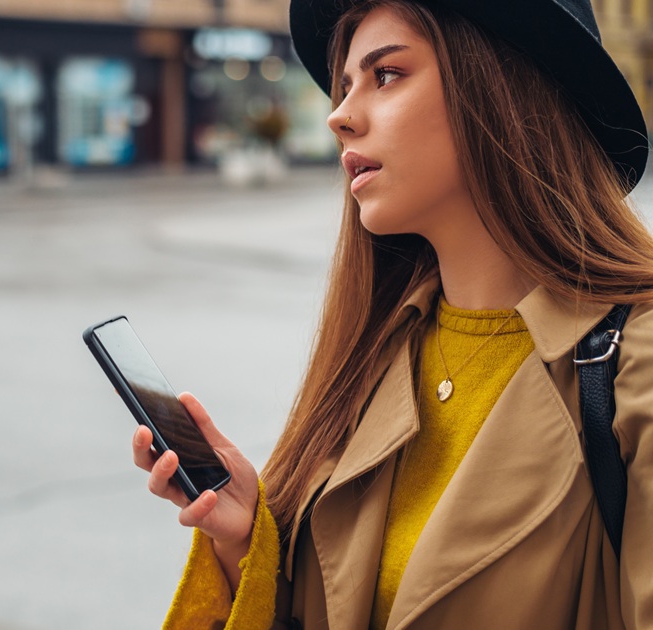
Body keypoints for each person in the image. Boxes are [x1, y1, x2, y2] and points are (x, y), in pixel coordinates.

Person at [131, 0, 653, 628]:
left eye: (386, 75)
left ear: (499, 88)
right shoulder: (373, 355)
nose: (340, 116)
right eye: (345, 85)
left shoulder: (631, 368)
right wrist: (246, 544)